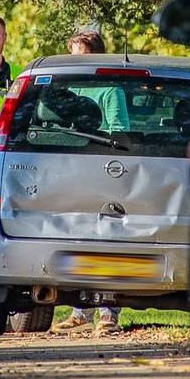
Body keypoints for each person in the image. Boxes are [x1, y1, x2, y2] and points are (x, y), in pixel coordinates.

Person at [51, 30, 128, 335]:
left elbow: (118, 131)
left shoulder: (111, 90)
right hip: (75, 171)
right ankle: (80, 311)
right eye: (72, 55)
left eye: (81, 55)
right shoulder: (71, 88)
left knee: (106, 242)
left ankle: (107, 313)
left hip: (103, 170)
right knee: (79, 241)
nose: (76, 62)